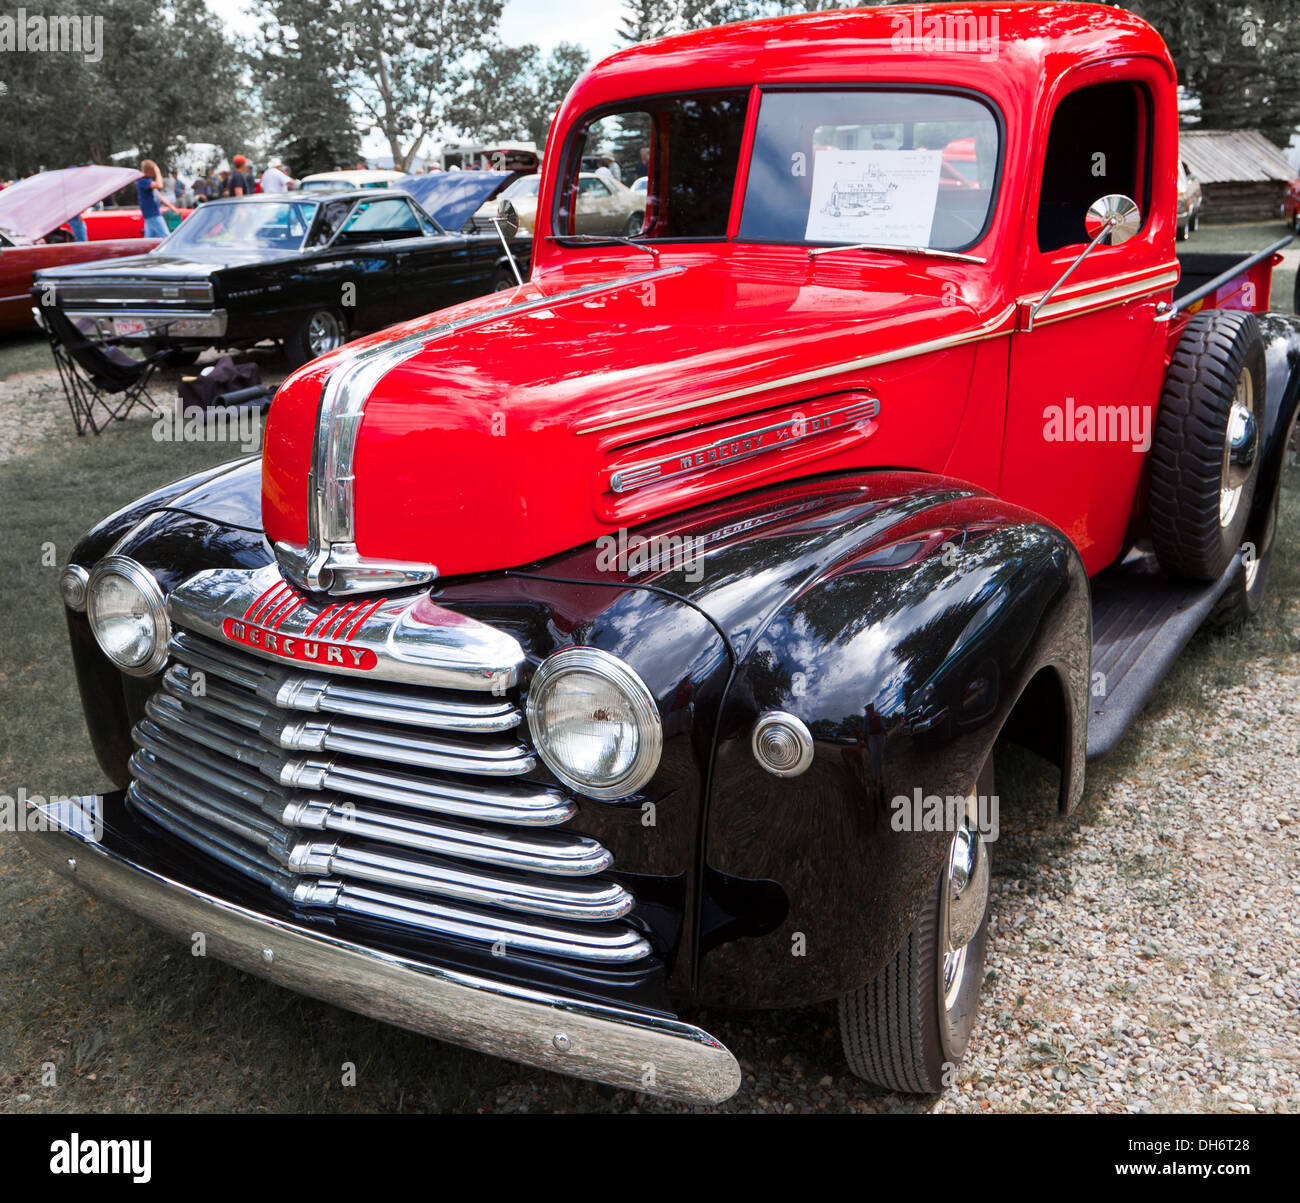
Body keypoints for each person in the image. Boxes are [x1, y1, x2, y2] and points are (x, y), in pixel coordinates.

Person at [137, 159, 178, 238]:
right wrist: (157, 171)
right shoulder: (142, 181)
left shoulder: (148, 181)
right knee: (166, 236)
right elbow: (160, 185)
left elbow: (158, 195)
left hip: (150, 213)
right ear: (149, 170)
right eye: (152, 171)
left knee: (149, 238)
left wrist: (171, 207)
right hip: (152, 213)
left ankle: (147, 250)